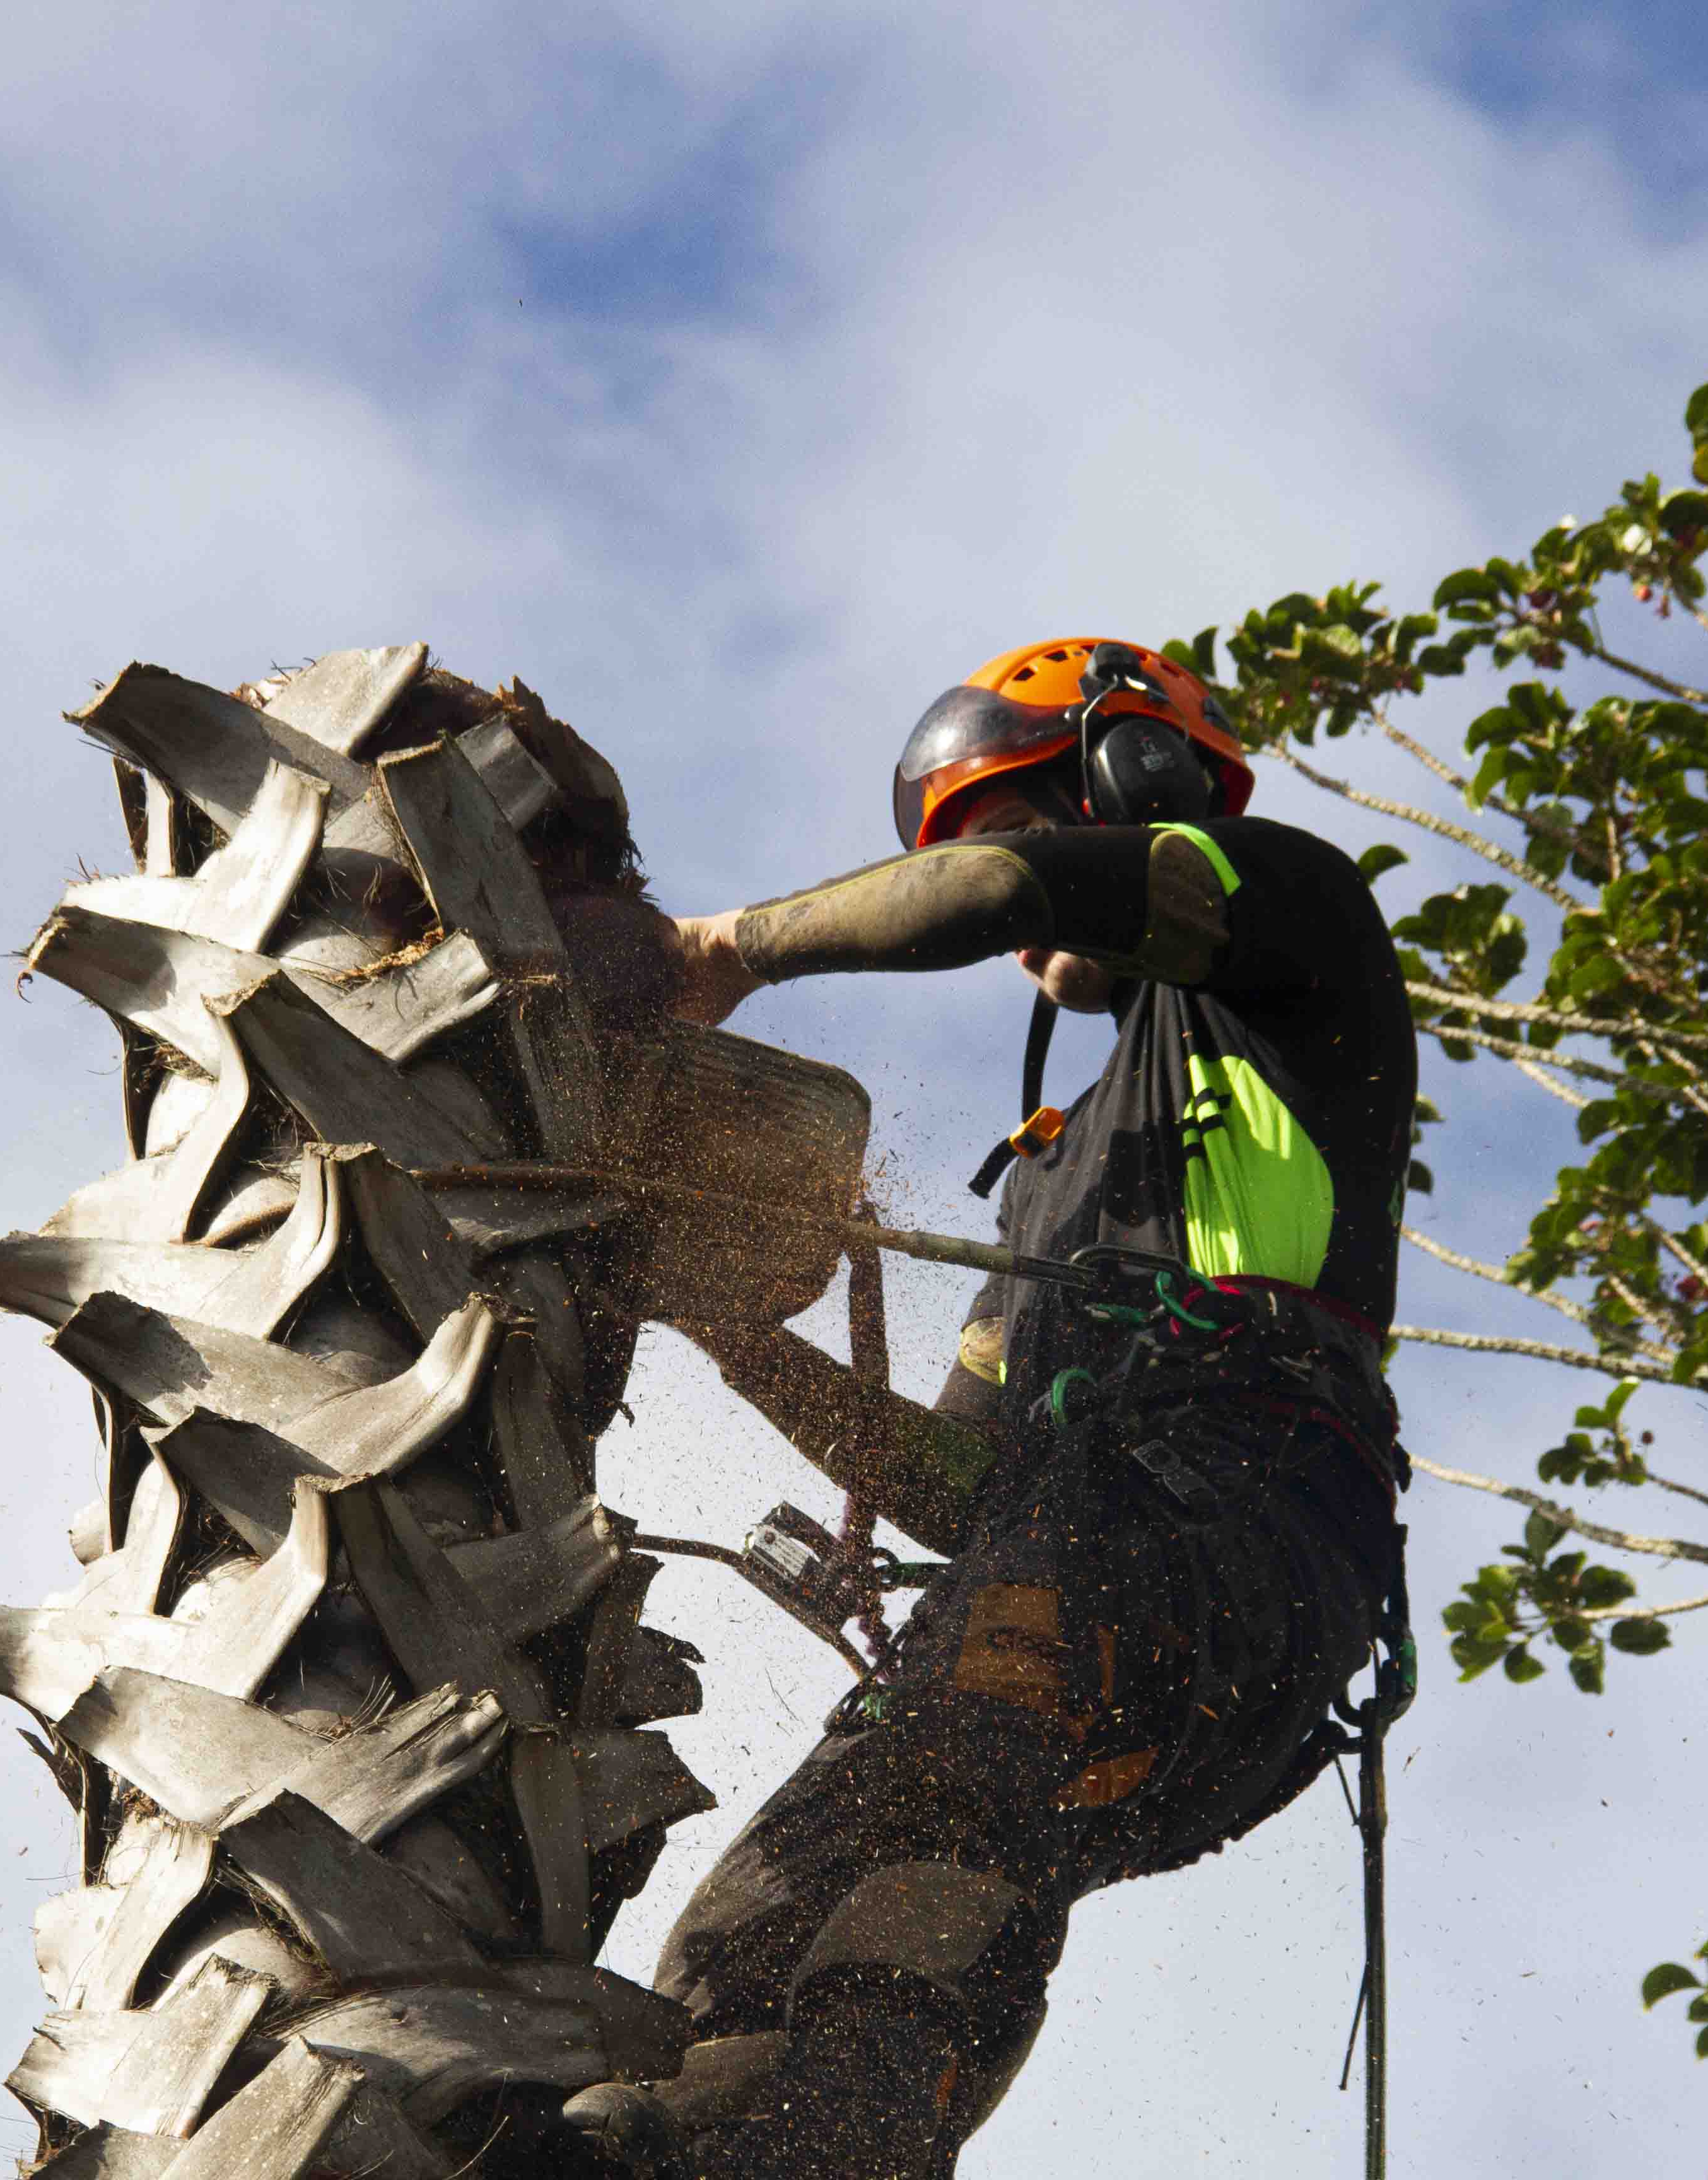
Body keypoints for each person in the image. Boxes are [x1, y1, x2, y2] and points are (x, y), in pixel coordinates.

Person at [619, 638, 1416, 2179]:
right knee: (750, 1930)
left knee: (946, 1814)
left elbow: (1000, 897)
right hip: (1062, 1568)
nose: (1006, 925)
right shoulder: (1048, 1183)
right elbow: (951, 1487)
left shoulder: (1291, 930)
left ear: (1133, 775)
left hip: (1233, 1523)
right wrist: (723, 1328)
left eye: (1000, 822)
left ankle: (829, 2144)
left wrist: (714, 953)